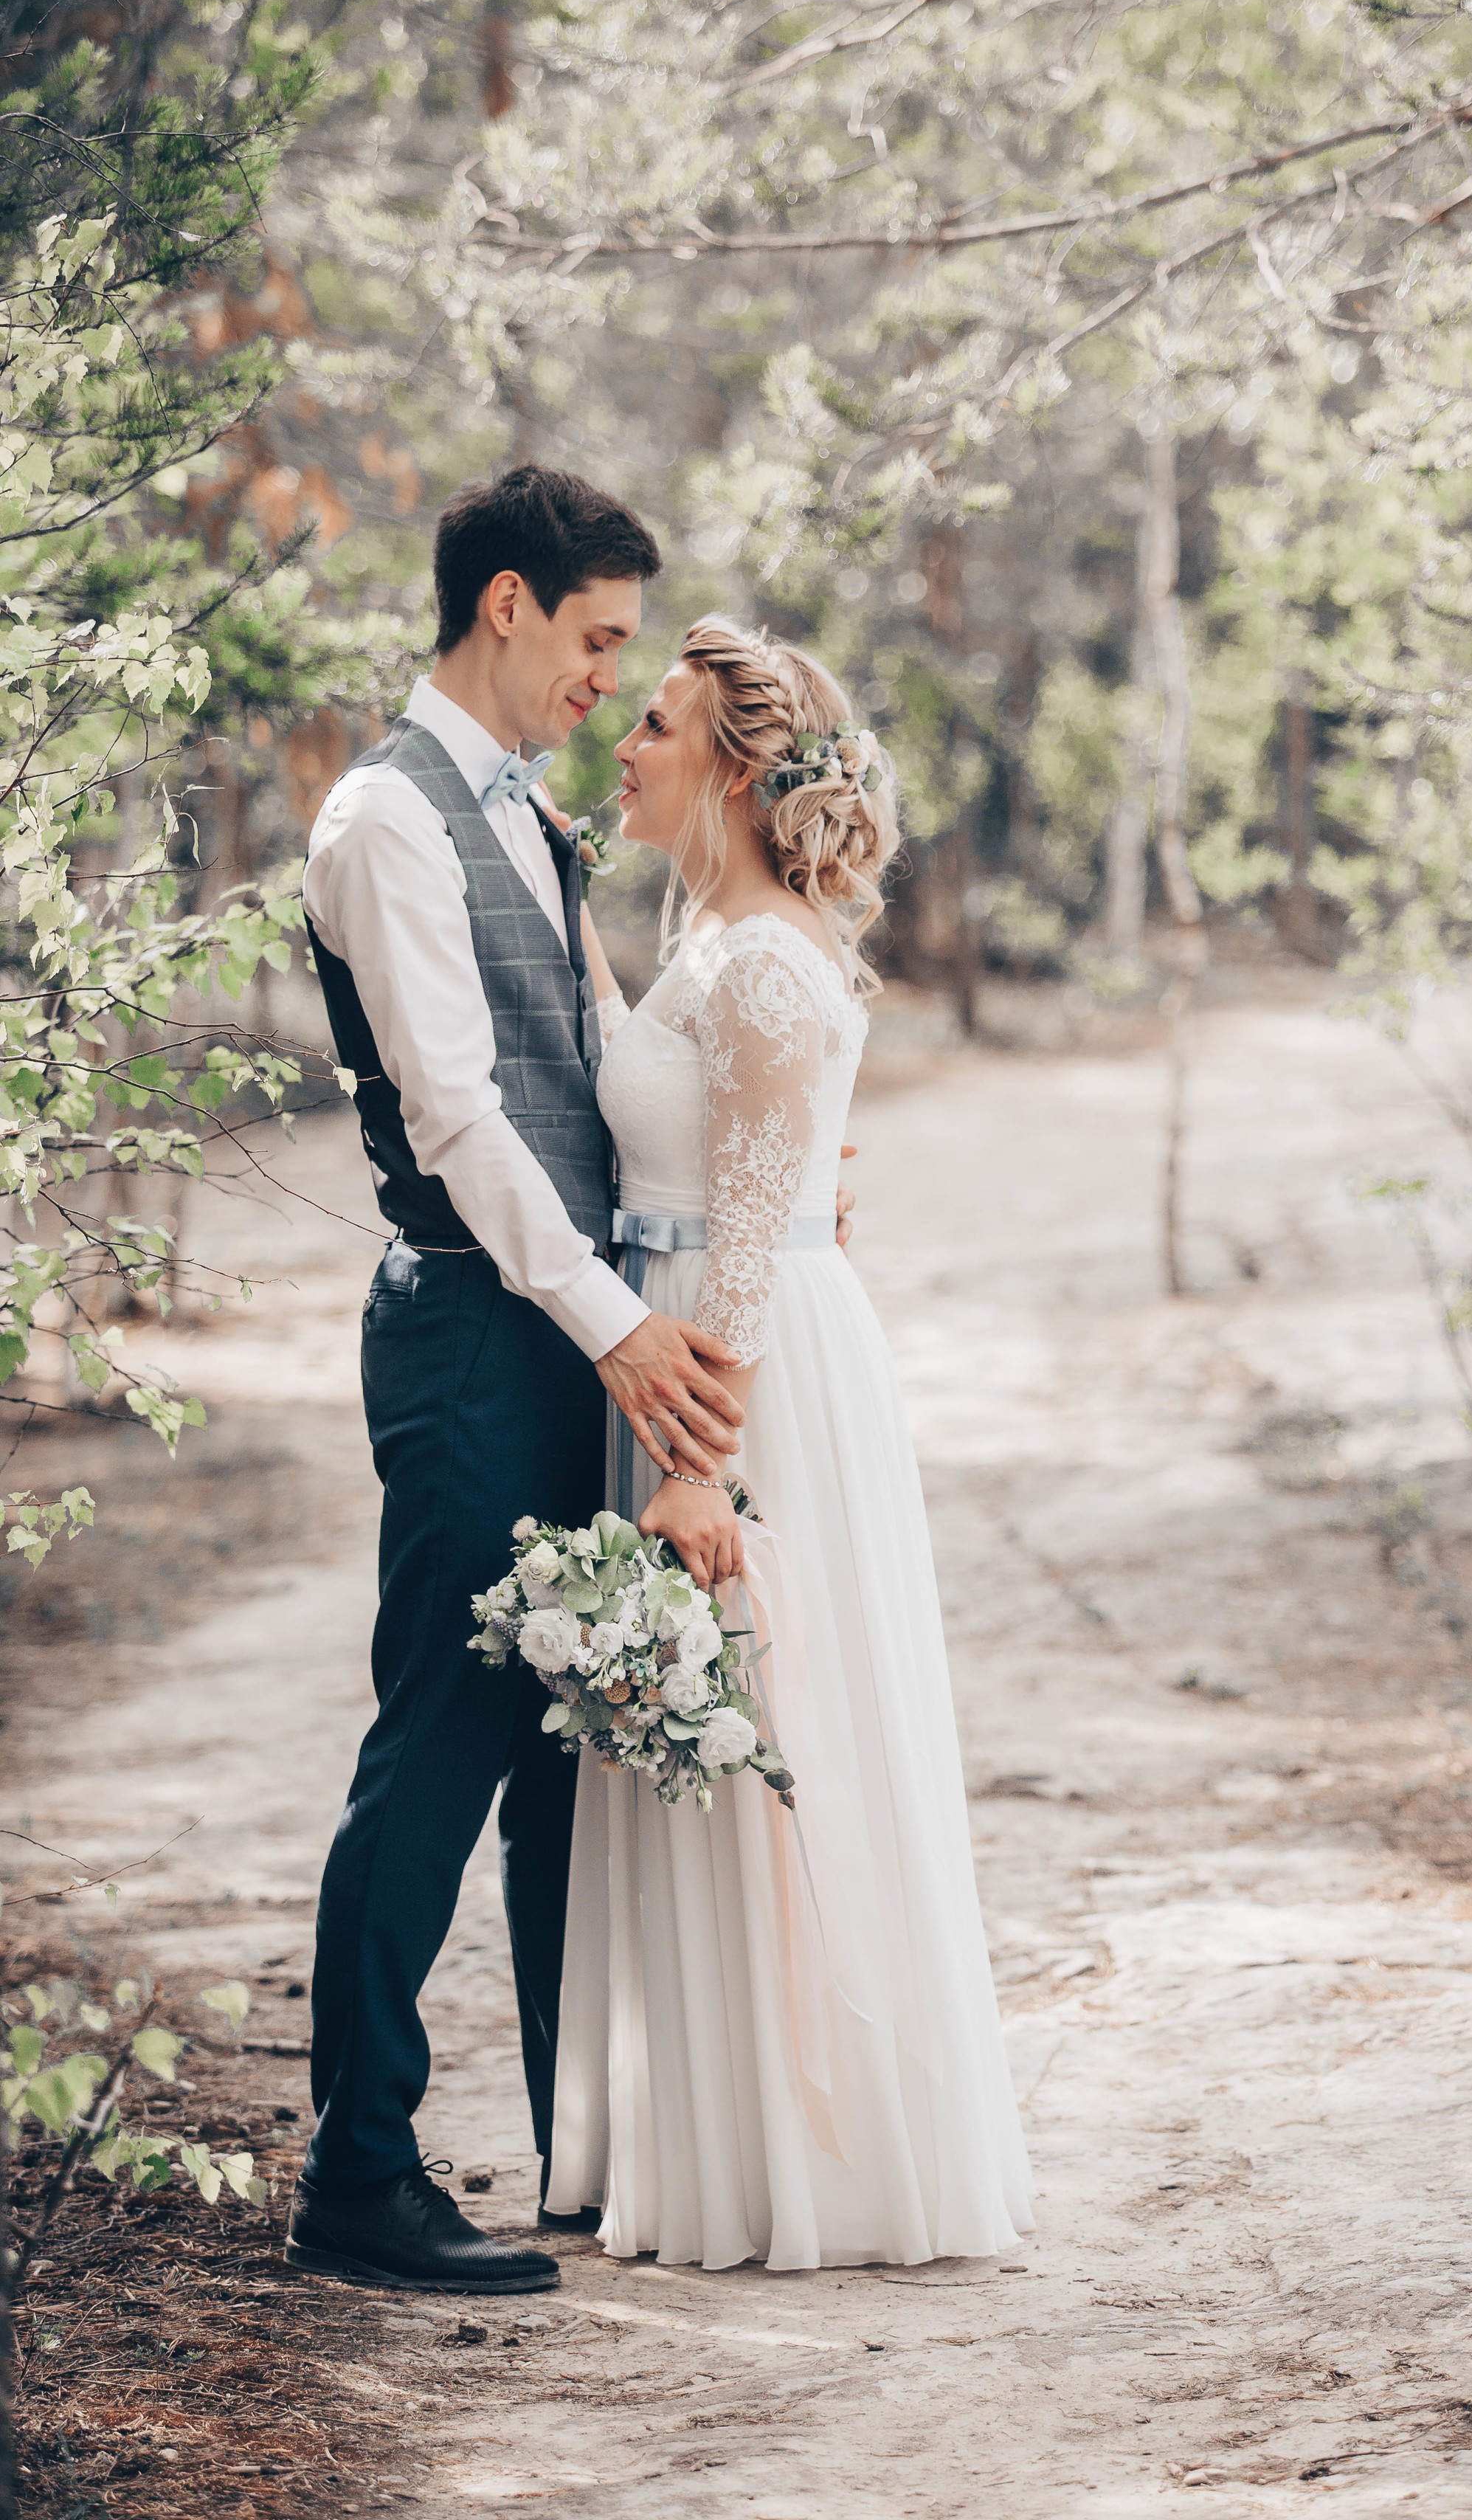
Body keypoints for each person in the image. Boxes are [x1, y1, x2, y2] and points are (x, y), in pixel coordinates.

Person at [288, 467, 766, 2296]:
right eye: (593, 638)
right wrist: (619, 1329)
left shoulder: (519, 816)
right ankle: (361, 2165)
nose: (602, 677)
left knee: (574, 1748)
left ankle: (588, 2144)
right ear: (504, 605)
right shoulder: (386, 822)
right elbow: (462, 1120)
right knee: (449, 1731)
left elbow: (602, 1066)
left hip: (568, 1332)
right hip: (483, 1333)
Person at [545, 616, 1034, 2270]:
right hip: (693, 1337)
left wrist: (701, 1464)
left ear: (737, 770)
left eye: (659, 728)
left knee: (766, 1727)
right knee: (717, 1740)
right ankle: (713, 2142)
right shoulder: (717, 943)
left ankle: (806, 2162)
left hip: (738, 1374)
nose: (623, 742)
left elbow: (754, 1222)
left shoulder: (761, 963)